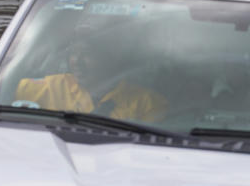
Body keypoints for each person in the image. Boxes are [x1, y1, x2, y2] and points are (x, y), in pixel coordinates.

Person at [15, 31, 168, 122]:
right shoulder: (50, 86)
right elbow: (1, 92)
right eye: (74, 53)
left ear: (110, 60)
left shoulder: (147, 103)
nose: (76, 62)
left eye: (87, 54)